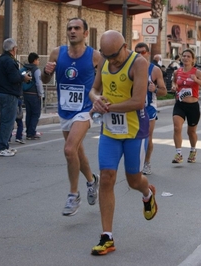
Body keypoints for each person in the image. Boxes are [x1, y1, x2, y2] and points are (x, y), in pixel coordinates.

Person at [89, 30, 157, 256]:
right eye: (106, 56)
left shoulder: (138, 63)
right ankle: (106, 236)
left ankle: (147, 193)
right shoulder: (105, 60)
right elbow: (94, 89)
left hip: (134, 131)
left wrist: (106, 107)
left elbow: (138, 101)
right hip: (109, 131)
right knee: (107, 178)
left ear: (125, 46)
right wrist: (96, 100)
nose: (111, 61)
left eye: (114, 56)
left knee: (133, 180)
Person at [41, 18, 100, 216]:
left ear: (85, 33)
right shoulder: (57, 53)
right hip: (65, 110)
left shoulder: (95, 56)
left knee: (68, 149)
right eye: (69, 28)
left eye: (77, 28)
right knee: (77, 151)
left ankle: (73, 195)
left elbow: (103, 81)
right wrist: (46, 72)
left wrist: (99, 98)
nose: (72, 31)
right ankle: (92, 181)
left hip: (85, 109)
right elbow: (45, 79)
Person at [0, 38, 32, 156]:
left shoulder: (1, 59)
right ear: (13, 49)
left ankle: (4, 145)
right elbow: (14, 78)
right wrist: (23, 78)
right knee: (8, 122)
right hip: (9, 94)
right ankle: (1, 147)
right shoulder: (9, 61)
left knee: (5, 121)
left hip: (1, 93)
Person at [170, 48, 201, 164]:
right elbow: (174, 82)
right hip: (180, 104)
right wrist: (174, 86)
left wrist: (196, 80)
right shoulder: (177, 72)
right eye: (184, 56)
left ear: (193, 59)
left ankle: (193, 150)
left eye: (188, 56)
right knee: (177, 127)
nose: (186, 58)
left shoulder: (196, 72)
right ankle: (178, 154)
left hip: (193, 106)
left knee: (191, 132)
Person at [134, 42, 167, 175]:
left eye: (143, 52)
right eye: (137, 52)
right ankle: (137, 162)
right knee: (134, 137)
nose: (140, 55)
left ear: (148, 54)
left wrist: (155, 89)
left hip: (149, 107)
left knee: (147, 136)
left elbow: (164, 91)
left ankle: (146, 162)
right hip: (133, 106)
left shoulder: (154, 70)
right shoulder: (131, 67)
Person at [22, 52, 44, 140]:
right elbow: (38, 83)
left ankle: (28, 131)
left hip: (26, 93)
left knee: (29, 113)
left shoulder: (24, 68)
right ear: (35, 60)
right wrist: (41, 94)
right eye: (38, 60)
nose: (38, 62)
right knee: (35, 114)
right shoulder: (36, 70)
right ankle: (31, 132)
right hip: (34, 94)